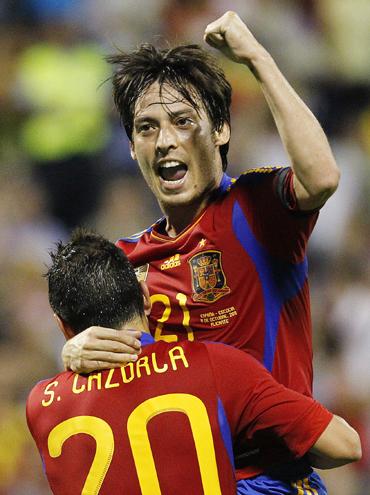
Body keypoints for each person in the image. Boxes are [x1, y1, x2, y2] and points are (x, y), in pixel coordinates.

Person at [61, 11, 341, 493]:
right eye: (146, 128)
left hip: (269, 479)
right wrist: (72, 353)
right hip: (184, 480)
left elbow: (321, 177)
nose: (166, 139)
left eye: (183, 121)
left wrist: (256, 58)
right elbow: (97, 383)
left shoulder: (254, 212)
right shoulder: (126, 262)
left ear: (221, 132)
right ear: (131, 147)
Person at [27, 230, 360, 494]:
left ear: (61, 325)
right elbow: (345, 446)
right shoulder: (214, 366)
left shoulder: (40, 406)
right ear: (145, 297)